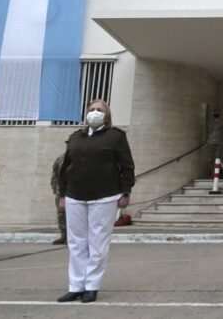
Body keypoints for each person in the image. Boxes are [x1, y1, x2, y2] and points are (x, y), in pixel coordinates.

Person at [57, 100, 135, 304]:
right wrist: (62, 194)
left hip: (105, 196)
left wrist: (126, 191)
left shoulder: (116, 136)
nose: (95, 112)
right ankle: (76, 286)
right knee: (76, 243)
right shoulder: (75, 137)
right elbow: (65, 166)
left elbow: (126, 165)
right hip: (75, 196)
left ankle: (92, 286)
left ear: (106, 115)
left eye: (99, 110)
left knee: (97, 243)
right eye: (92, 109)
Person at [50, 151, 67, 245]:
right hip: (60, 191)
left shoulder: (78, 157)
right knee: (61, 214)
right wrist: (54, 187)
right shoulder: (60, 158)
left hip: (74, 191)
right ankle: (63, 235)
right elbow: (55, 174)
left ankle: (71, 237)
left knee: (73, 216)